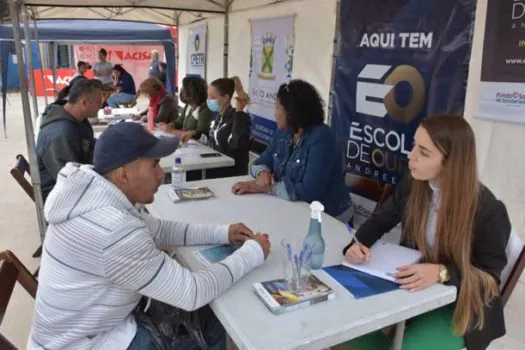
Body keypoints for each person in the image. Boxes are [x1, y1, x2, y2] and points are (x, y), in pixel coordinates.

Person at [28, 122, 271, 350]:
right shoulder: (115, 231)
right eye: (154, 164)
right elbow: (192, 292)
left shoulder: (95, 197)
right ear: (124, 175)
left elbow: (160, 230)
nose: (160, 174)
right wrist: (254, 252)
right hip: (86, 343)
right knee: (213, 320)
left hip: (76, 332)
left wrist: (223, 232)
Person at [343, 115, 511, 350]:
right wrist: (357, 244)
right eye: (414, 145)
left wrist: (442, 272)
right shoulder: (414, 186)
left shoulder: (488, 210)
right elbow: (380, 221)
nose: (411, 155)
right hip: (415, 292)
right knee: (347, 329)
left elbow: (489, 278)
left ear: (451, 162)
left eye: (424, 152)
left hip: (461, 305)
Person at [232, 79, 352, 222]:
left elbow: (309, 191)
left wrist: (265, 188)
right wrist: (263, 172)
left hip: (328, 217)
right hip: (292, 208)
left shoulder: (322, 138)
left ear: (292, 111)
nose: (275, 114)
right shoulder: (284, 132)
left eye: (277, 108)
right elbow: (259, 161)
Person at [36, 79, 103, 203]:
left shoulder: (77, 119)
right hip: (62, 199)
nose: (102, 105)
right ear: (84, 102)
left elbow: (89, 148)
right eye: (99, 102)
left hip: (78, 183)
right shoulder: (60, 133)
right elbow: (68, 179)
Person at [206, 76, 251, 178]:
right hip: (214, 166)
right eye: (208, 96)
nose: (208, 100)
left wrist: (239, 112)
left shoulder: (238, 118)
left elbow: (237, 144)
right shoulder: (218, 116)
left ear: (226, 98)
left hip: (231, 173)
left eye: (212, 97)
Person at [159, 76, 212, 143]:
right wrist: (169, 125)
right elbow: (179, 122)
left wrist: (171, 131)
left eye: (183, 88)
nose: (181, 90)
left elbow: (200, 133)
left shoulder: (205, 108)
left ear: (192, 92)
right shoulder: (189, 105)